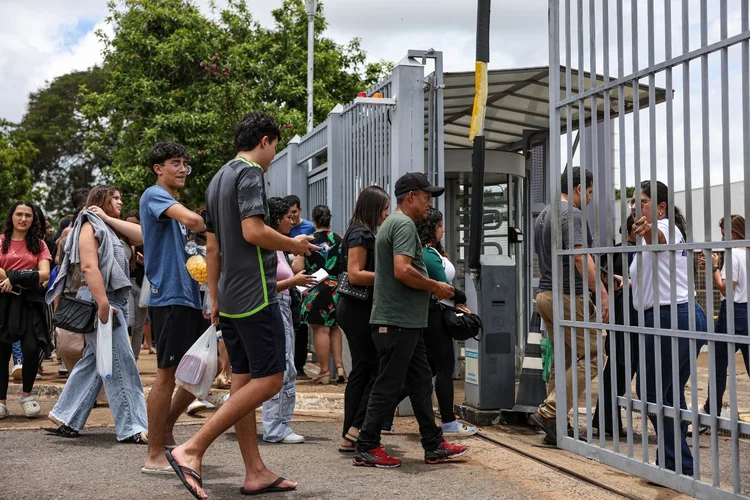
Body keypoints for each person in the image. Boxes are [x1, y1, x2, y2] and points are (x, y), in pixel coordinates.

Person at [167, 111, 318, 498]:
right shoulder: (250, 172)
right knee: (270, 380)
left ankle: (255, 471)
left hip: (231, 298)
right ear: (265, 140)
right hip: (258, 294)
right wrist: (295, 244)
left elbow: (212, 247)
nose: (273, 155)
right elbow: (253, 231)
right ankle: (192, 448)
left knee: (244, 385)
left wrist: (215, 298)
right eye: (275, 146)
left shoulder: (218, 178)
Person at [353, 172, 466, 468]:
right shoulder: (402, 224)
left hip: (406, 323)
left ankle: (433, 444)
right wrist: (435, 287)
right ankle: (366, 446)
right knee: (387, 385)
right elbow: (402, 270)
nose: (429, 203)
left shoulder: (396, 223)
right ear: (410, 197)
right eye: (426, 197)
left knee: (419, 385)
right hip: (397, 322)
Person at [45, 186, 148, 442]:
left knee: (95, 362)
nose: (120, 201)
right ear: (99, 200)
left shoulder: (110, 227)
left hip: (114, 300)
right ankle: (133, 426)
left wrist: (109, 217)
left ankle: (67, 417)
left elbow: (143, 235)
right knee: (121, 365)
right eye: (114, 198)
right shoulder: (89, 226)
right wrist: (103, 303)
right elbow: (89, 267)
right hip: (101, 299)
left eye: (121, 197)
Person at [630, 180, 707, 476]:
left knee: (650, 391)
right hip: (679, 315)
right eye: (633, 202)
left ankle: (680, 465)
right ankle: (670, 463)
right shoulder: (649, 239)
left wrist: (648, 229)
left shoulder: (666, 227)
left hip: (669, 317)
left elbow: (659, 237)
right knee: (670, 393)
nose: (636, 207)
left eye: (643, 201)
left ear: (661, 207)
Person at [140, 142, 208, 474]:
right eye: (175, 163)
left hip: (188, 297)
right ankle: (153, 455)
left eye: (185, 164)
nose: (182, 169)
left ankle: (166, 430)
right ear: (158, 168)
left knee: (203, 370)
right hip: (168, 297)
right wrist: (207, 225)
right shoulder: (155, 196)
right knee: (166, 375)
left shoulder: (170, 204)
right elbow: (195, 220)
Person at [530, 167, 609, 446]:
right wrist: (600, 290)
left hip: (546, 295)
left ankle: (556, 424)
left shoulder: (543, 215)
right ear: (578, 189)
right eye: (588, 192)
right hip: (567, 296)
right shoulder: (572, 214)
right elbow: (578, 256)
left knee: (563, 359)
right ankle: (549, 410)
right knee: (594, 355)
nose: (589, 199)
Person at [337, 186, 390, 452]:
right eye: (385, 208)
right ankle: (355, 428)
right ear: (374, 208)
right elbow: (355, 274)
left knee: (362, 368)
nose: (387, 214)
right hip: (357, 309)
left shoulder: (359, 231)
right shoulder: (360, 233)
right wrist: (389, 276)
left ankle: (351, 432)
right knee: (373, 367)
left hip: (354, 308)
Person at [416, 207, 478, 438]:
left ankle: (382, 416)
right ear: (431, 228)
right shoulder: (428, 254)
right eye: (440, 226)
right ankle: (449, 422)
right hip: (435, 317)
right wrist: (460, 298)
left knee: (429, 368)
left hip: (439, 313)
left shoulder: (432, 251)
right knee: (444, 367)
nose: (443, 230)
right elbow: (444, 288)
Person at [262, 197, 316, 443]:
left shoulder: (278, 246)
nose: (292, 221)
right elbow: (264, 285)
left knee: (286, 366)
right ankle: (275, 426)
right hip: (276, 305)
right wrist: (293, 282)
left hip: (283, 305)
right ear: (276, 219)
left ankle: (279, 423)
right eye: (287, 217)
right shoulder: (268, 246)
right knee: (283, 367)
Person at [0, 201, 51, 419]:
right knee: (2, 351)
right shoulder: (1, 241)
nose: (23, 219)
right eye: (19, 214)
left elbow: (45, 274)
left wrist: (14, 278)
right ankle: (1, 401)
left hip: (30, 303)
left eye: (28, 215)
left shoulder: (39, 244)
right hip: (3, 301)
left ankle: (27, 395)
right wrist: (22, 278)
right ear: (11, 216)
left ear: (34, 219)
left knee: (31, 348)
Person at [592, 215, 639, 437]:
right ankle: (606, 420)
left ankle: (605, 420)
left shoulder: (615, 252)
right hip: (630, 318)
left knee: (617, 369)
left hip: (617, 316)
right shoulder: (633, 253)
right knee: (622, 369)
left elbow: (602, 279)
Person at [700, 215, 749, 419]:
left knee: (719, 364)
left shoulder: (733, 254)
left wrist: (714, 268)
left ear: (734, 233)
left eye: (723, 234)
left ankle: (713, 410)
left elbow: (726, 288)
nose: (722, 239)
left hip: (733, 312)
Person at [292, 205, 345, 384]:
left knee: (320, 329)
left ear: (314, 221)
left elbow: (298, 268)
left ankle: (324, 371)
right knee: (335, 327)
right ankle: (339, 366)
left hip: (315, 286)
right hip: (334, 286)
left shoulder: (308, 240)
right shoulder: (340, 239)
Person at [285, 194, 315, 380]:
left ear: (300, 210)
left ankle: (300, 365)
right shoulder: (282, 229)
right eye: (288, 214)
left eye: (294, 213)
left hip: (302, 280)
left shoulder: (309, 228)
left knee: (301, 324)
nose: (292, 218)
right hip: (287, 279)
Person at [124, 210, 148, 361]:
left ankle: (134, 358)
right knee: (127, 323)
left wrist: (144, 263)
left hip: (141, 285)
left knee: (139, 325)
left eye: (136, 224)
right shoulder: (120, 241)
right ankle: (125, 358)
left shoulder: (145, 241)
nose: (132, 227)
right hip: (125, 286)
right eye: (129, 223)